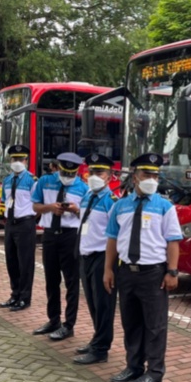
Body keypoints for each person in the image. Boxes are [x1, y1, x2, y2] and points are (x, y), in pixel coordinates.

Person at [103, 153, 182, 382]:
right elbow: (112, 240)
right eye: (147, 174)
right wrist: (108, 268)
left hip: (153, 274)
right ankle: (134, 366)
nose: (152, 179)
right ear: (135, 177)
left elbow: (173, 241)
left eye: (156, 175)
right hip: (127, 272)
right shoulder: (120, 206)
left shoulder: (164, 207)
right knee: (131, 322)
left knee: (155, 325)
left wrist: (172, 272)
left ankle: (155, 371)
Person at [32, 152, 88, 340]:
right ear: (59, 168)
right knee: (51, 280)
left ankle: (69, 324)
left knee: (72, 282)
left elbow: (87, 216)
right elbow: (35, 206)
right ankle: (53, 319)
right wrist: (50, 208)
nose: (68, 177)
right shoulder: (45, 181)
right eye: (65, 173)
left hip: (70, 236)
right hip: (50, 235)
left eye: (72, 174)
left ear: (77, 172)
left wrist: (75, 209)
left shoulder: (83, 188)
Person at [74, 153, 118, 365]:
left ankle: (101, 349)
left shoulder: (112, 201)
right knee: (92, 302)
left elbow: (115, 235)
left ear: (109, 177)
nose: (94, 176)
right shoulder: (88, 196)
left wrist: (110, 266)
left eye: (99, 172)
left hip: (102, 257)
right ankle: (97, 339)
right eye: (91, 172)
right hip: (86, 255)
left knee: (103, 305)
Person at [0, 145, 37, 312]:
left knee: (25, 263)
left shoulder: (32, 180)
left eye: (20, 159)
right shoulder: (7, 180)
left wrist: (29, 220)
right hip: (10, 223)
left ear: (26, 161)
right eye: (14, 159)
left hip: (25, 223)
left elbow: (37, 205)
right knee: (11, 261)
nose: (17, 162)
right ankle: (14, 294)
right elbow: (5, 200)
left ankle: (24, 297)